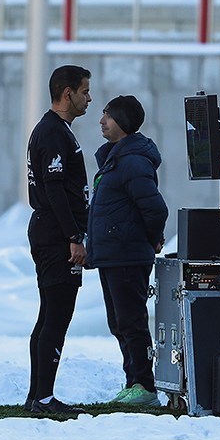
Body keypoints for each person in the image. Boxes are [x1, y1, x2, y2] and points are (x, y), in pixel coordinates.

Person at [85, 95, 168, 407]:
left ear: (123, 121)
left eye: (107, 116)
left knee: (131, 323)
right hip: (113, 255)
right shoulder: (115, 159)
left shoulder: (132, 161)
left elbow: (155, 209)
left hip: (127, 256)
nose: (101, 121)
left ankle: (144, 385)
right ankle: (132, 381)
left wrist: (152, 239)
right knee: (119, 323)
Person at [24, 65, 92, 416]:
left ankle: (37, 395)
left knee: (49, 314)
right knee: (57, 315)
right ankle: (44, 397)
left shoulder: (56, 130)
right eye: (85, 91)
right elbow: (54, 190)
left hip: (50, 231)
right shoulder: (53, 133)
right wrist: (73, 236)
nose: (89, 98)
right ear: (68, 93)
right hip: (55, 235)